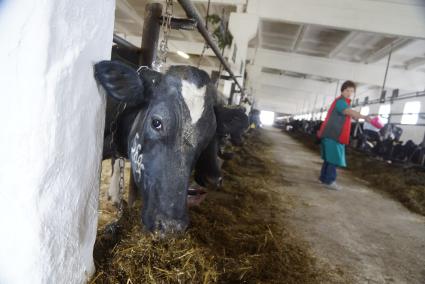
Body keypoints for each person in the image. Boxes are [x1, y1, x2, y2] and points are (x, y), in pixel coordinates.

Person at [317, 80, 371, 190]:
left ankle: (323, 178)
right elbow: (348, 112)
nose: (349, 93)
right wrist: (364, 117)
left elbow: (347, 113)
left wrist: (354, 116)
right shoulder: (341, 101)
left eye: (351, 91)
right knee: (334, 158)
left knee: (329, 158)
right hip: (334, 134)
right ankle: (330, 181)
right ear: (342, 90)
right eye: (347, 90)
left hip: (332, 133)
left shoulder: (344, 102)